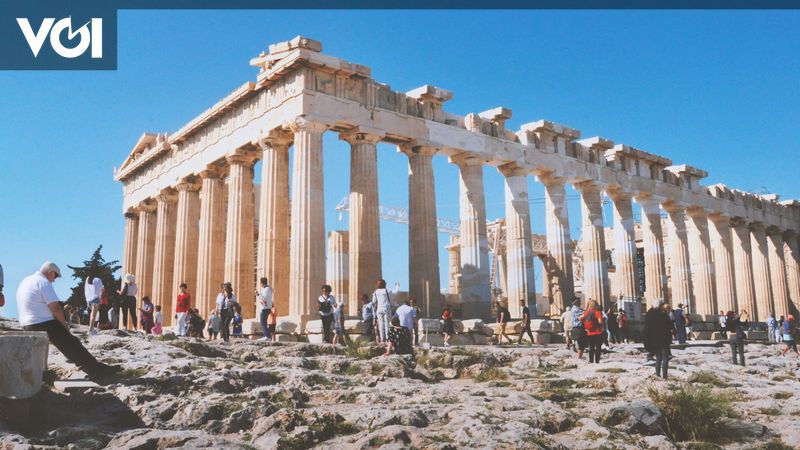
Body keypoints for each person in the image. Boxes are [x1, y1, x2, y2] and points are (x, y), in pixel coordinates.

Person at [17, 262, 119, 380]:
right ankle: (96, 370)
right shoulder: (43, 282)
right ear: (50, 272)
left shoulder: (27, 280)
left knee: (67, 343)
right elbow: (55, 308)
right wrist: (64, 325)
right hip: (42, 322)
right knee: (72, 343)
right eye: (55, 276)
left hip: (26, 324)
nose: (54, 280)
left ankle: (91, 367)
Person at [644, 299, 672, 379]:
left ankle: (657, 375)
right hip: (664, 339)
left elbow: (647, 328)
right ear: (660, 305)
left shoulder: (649, 314)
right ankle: (665, 376)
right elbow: (669, 326)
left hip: (654, 340)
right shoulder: (663, 315)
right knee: (665, 357)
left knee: (658, 357)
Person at [373, 279, 392, 344]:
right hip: (386, 308)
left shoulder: (375, 292)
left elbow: (374, 302)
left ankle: (382, 339)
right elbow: (391, 298)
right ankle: (387, 339)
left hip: (379, 309)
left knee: (381, 324)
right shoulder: (387, 290)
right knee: (387, 324)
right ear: (384, 284)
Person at [257, 277, 274, 341]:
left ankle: (267, 336)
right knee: (263, 323)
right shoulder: (265, 289)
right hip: (265, 308)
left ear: (262, 283)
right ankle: (266, 335)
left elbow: (264, 298)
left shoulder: (267, 289)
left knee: (262, 323)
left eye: (260, 283)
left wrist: (258, 294)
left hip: (265, 308)